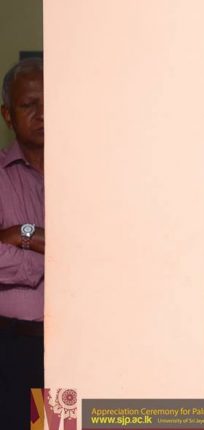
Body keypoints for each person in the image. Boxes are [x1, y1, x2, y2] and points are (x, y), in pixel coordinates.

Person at [0, 57, 45, 429]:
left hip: (77, 342)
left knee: (59, 423)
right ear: (7, 115)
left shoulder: (86, 172)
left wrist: (19, 235)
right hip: (14, 347)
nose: (42, 114)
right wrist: (44, 250)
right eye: (29, 105)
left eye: (48, 103)